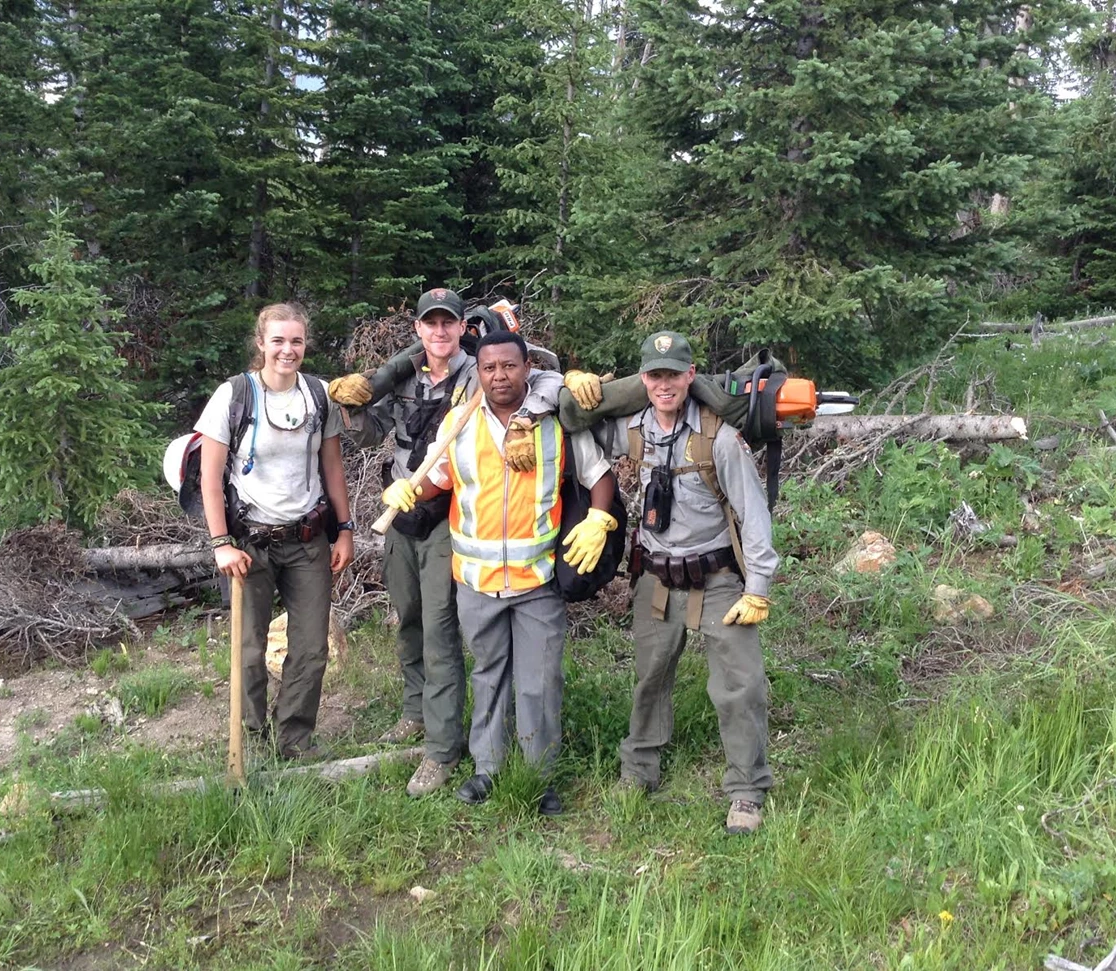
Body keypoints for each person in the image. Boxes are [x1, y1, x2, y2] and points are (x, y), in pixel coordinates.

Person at [329, 288, 573, 798]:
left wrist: (533, 411)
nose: (439, 332)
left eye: (449, 323)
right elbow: (372, 435)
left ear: (464, 327)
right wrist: (353, 406)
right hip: (405, 513)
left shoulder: (480, 374)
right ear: (418, 329)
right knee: (411, 619)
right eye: (430, 324)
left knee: (446, 633)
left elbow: (540, 374)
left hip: (454, 523)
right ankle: (418, 714)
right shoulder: (401, 378)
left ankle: (446, 751)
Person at [382, 330, 617, 815]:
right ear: (480, 372)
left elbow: (599, 475)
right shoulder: (459, 423)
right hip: (477, 583)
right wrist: (408, 490)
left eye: (509, 366)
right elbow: (437, 479)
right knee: (489, 676)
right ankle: (487, 769)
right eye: (489, 368)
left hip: (537, 582)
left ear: (527, 366)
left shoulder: (555, 423)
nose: (499, 376)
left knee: (539, 680)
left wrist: (599, 517)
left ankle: (539, 774)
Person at [602, 331, 779, 835]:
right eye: (655, 375)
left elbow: (753, 511)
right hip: (656, 577)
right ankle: (639, 770)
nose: (664, 384)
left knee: (739, 685)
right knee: (649, 679)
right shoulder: (630, 429)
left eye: (673, 374)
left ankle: (746, 789)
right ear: (643, 379)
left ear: (690, 375)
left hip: (719, 577)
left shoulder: (718, 436)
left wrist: (759, 585)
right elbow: (577, 437)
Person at [195, 303, 355, 761]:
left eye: (297, 341)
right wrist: (221, 543)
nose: (289, 350)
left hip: (307, 540)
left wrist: (344, 530)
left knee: (310, 648)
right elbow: (210, 478)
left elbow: (332, 466)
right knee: (249, 650)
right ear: (261, 343)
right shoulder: (234, 395)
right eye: (279, 340)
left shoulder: (318, 394)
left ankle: (294, 740)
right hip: (249, 543)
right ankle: (248, 735)